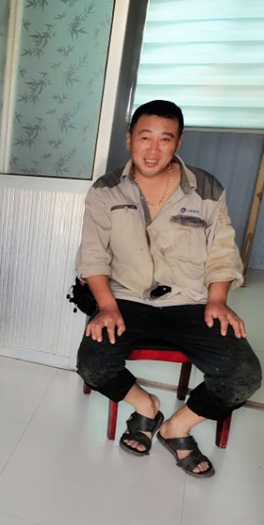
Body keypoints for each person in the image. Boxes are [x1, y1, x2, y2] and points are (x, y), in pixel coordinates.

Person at [75, 100, 262, 478]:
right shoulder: (106, 191)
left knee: (244, 374)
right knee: (92, 364)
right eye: (145, 137)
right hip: (126, 300)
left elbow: (222, 251)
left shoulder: (206, 189)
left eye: (165, 139)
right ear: (129, 139)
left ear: (178, 142)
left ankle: (177, 427)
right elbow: (93, 255)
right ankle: (146, 406)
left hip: (191, 301)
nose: (153, 149)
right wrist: (106, 306)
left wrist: (218, 300)